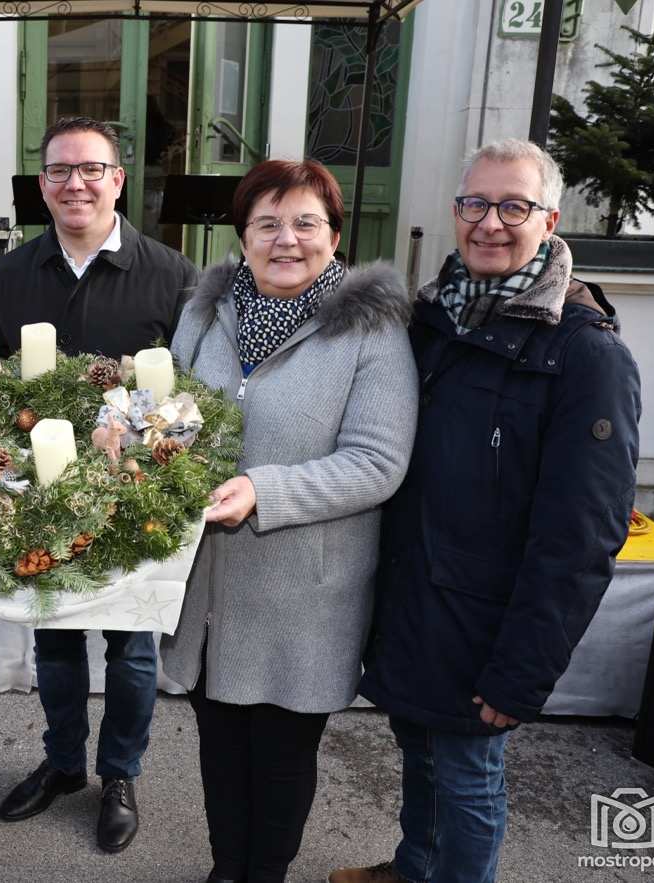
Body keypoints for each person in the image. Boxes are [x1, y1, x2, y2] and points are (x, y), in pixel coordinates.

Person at [330, 139, 641, 883]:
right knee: (420, 752)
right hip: (419, 598)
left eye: (513, 206)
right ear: (456, 211)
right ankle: (416, 865)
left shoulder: (585, 353)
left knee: (468, 775)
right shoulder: (436, 318)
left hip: (489, 624)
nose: (490, 223)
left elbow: (584, 534)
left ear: (550, 218)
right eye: (475, 203)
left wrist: (521, 671)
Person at [162, 159, 418, 883]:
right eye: (267, 223)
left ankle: (264, 871)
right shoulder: (205, 314)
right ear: (243, 235)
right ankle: (225, 867)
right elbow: (168, 412)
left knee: (279, 756)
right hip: (209, 589)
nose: (286, 239)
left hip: (303, 595)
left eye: (306, 222)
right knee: (219, 746)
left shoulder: (371, 331)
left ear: (335, 235)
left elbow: (377, 461)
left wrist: (262, 490)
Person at [0, 115, 197, 854]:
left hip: (138, 500)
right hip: (45, 503)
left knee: (134, 651)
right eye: (60, 171)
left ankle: (120, 773)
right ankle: (64, 761)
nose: (75, 183)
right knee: (57, 645)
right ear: (42, 184)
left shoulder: (171, 274)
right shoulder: (9, 276)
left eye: (91, 169)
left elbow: (192, 396)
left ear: (118, 179)